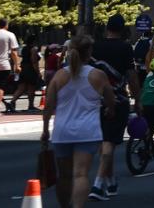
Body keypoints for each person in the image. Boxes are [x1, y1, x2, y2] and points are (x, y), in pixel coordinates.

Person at [42, 34, 117, 208]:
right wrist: (110, 110)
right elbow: (110, 99)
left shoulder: (59, 76)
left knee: (64, 176)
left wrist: (45, 130)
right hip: (88, 131)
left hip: (62, 131)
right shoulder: (98, 75)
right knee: (81, 174)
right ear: (89, 51)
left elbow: (48, 107)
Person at [89, 14, 140, 200]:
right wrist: (138, 100)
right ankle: (97, 185)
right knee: (109, 142)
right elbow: (132, 76)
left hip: (95, 101)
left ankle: (110, 182)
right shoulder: (126, 47)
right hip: (117, 100)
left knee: (104, 142)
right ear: (123, 29)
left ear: (107, 28)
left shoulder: (95, 46)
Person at [10, 36, 43, 113]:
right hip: (30, 69)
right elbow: (34, 61)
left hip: (23, 68)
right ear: (34, 42)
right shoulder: (33, 49)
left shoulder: (24, 48)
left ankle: (12, 102)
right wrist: (38, 72)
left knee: (21, 87)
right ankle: (30, 105)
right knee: (31, 88)